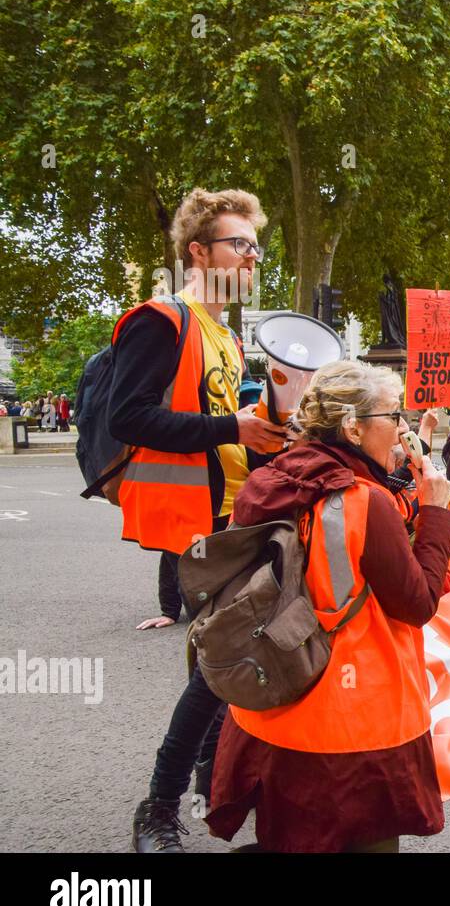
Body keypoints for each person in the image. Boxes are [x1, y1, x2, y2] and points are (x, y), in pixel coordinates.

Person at [204, 359, 450, 853]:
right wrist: (434, 514)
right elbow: (419, 603)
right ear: (353, 427)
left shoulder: (269, 480)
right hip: (351, 724)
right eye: (393, 416)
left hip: (270, 705)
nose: (402, 429)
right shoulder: (365, 500)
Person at [124, 188, 290, 853]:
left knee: (231, 656)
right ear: (199, 251)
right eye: (239, 244)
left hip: (233, 515)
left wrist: (274, 435)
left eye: (256, 246)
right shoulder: (161, 321)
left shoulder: (223, 332)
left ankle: (204, 781)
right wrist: (234, 424)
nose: (252, 257)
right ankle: (159, 807)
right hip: (197, 525)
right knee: (220, 664)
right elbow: (126, 418)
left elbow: (230, 434)